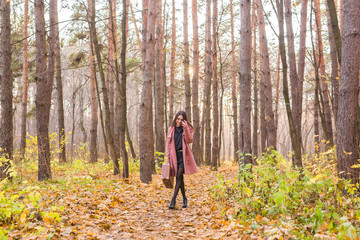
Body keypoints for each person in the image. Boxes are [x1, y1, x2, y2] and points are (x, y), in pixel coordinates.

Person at [166, 111, 198, 209]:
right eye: (178, 119)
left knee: (179, 175)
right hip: (174, 157)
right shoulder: (171, 129)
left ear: (184, 120)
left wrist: (186, 128)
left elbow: (189, 140)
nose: (179, 121)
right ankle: (184, 198)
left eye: (181, 119)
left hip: (184, 156)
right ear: (175, 118)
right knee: (180, 179)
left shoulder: (188, 128)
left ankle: (173, 200)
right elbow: (168, 146)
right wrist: (168, 160)